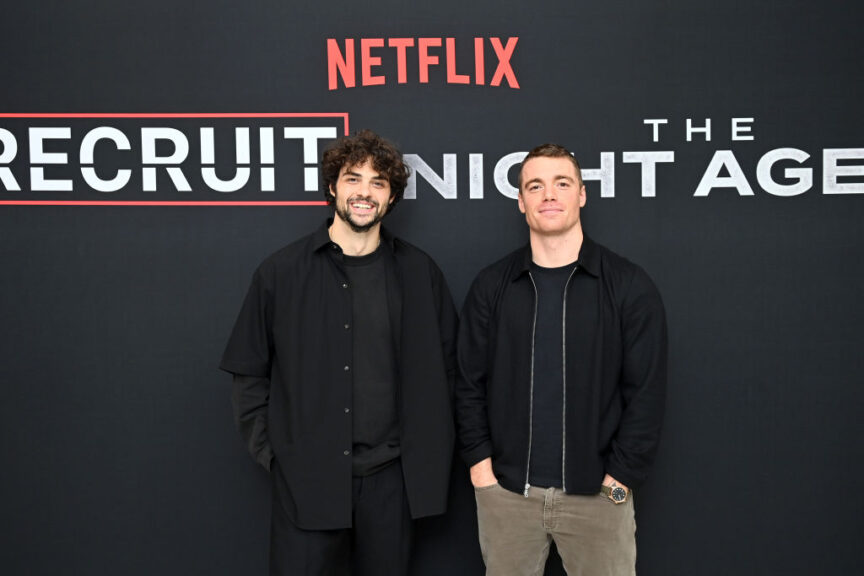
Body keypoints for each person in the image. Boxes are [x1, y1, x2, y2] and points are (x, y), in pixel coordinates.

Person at [220, 130, 457, 576]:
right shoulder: (281, 273)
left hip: (393, 481)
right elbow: (249, 375)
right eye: (353, 179)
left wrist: (423, 464)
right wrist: (278, 456)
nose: (364, 192)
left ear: (391, 198)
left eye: (378, 182)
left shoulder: (419, 272)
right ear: (333, 187)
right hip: (307, 479)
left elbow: (449, 371)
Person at [456, 143, 667, 575]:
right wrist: (483, 473)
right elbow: (467, 383)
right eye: (535, 186)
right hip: (508, 496)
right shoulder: (492, 286)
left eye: (561, 183)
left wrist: (618, 483)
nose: (548, 195)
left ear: (582, 195)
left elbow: (647, 392)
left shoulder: (628, 285)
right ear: (521, 201)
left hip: (599, 499)